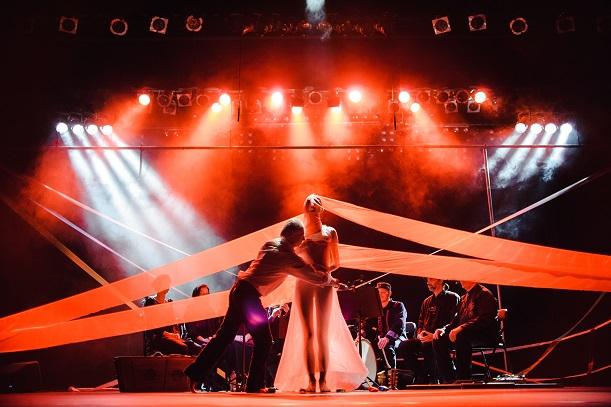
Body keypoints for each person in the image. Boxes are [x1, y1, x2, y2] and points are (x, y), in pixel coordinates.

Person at [184, 219, 337, 393]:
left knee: (224, 337)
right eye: (301, 236)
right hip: (248, 296)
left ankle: (194, 374)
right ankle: (255, 385)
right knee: (264, 341)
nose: (303, 240)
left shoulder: (270, 243)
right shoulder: (286, 256)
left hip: (239, 290)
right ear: (294, 235)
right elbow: (313, 275)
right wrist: (333, 281)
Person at [275, 194, 368, 393]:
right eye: (308, 206)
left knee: (322, 333)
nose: (312, 209)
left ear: (321, 209)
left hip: (324, 282)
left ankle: (323, 381)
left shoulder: (330, 232)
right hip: (304, 283)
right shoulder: (299, 233)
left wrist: (323, 270)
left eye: (315, 206)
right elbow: (290, 261)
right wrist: (305, 259)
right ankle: (311, 381)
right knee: (308, 333)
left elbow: (336, 262)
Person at [432, 281, 499, 382]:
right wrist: (444, 329)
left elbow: (484, 319)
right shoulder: (464, 298)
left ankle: (463, 378)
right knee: (439, 339)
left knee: (461, 336)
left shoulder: (484, 294)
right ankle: (449, 379)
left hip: (485, 334)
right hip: (466, 333)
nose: (460, 281)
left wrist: (461, 328)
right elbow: (456, 321)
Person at [398, 278, 460, 384]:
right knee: (404, 346)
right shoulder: (426, 301)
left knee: (431, 345)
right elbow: (420, 321)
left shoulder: (453, 297)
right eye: (427, 279)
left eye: (431, 279)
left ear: (440, 280)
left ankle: (436, 378)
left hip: (443, 337)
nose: (428, 282)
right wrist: (419, 334)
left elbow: (454, 321)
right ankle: (421, 375)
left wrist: (434, 336)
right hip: (425, 338)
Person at [143, 276, 189, 356]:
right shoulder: (150, 302)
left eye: (167, 284)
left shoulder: (168, 303)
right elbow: (152, 325)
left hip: (169, 336)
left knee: (192, 346)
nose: (167, 286)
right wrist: (169, 334)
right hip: (158, 337)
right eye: (164, 283)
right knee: (183, 347)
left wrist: (176, 333)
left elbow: (172, 323)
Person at [370, 282, 407, 373]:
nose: (380, 294)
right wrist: (362, 332)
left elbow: (399, 324)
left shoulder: (398, 306)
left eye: (383, 292)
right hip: (380, 339)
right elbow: (368, 324)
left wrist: (387, 338)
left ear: (389, 293)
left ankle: (392, 376)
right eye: (378, 292)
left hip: (397, 337)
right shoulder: (374, 308)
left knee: (387, 346)